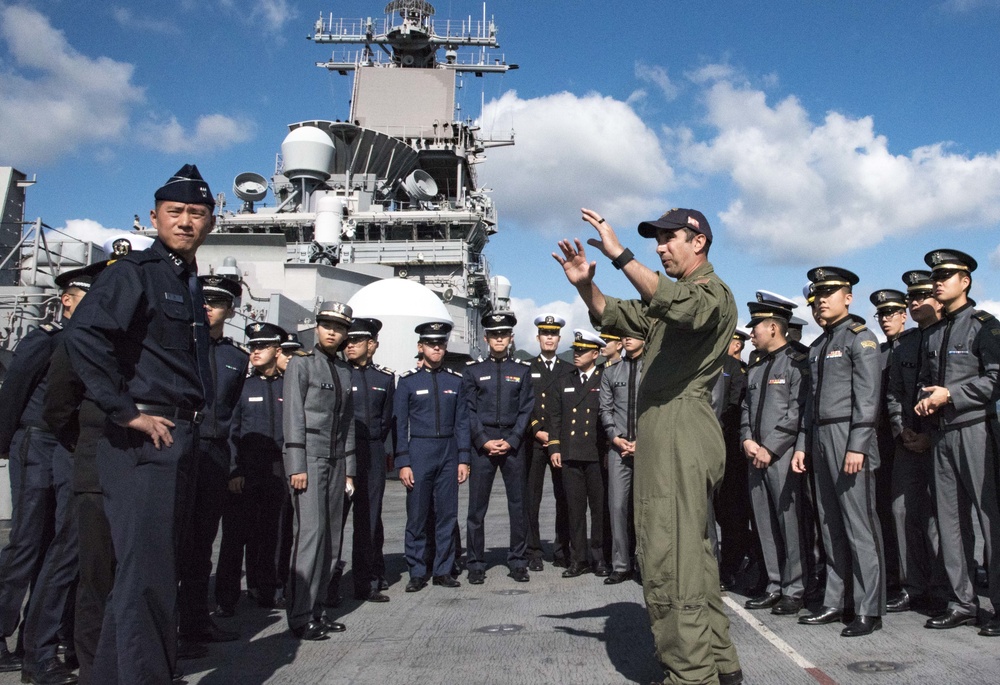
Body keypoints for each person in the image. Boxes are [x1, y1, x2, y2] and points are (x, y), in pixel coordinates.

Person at [554, 207, 742, 685]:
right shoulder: (669, 304)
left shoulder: (711, 295)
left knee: (667, 554)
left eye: (668, 239)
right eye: (654, 241)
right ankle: (717, 664)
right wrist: (584, 285)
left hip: (680, 426)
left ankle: (690, 674)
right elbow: (615, 313)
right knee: (692, 557)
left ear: (698, 242)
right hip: (666, 428)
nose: (660, 247)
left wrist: (620, 254)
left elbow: (678, 302)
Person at [65, 164, 218, 683]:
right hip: (146, 441)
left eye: (196, 214)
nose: (184, 222)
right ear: (154, 217)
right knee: (147, 578)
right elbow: (84, 336)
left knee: (148, 574)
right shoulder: (134, 272)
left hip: (179, 438)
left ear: (210, 222)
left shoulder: (186, 279)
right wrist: (125, 411)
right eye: (174, 213)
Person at [5, 263, 102, 685]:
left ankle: (37, 641)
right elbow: (14, 395)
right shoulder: (45, 341)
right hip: (36, 441)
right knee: (27, 543)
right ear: (66, 300)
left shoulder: (88, 345)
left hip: (67, 447)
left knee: (58, 544)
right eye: (87, 298)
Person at [792, 266, 885, 637]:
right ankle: (836, 600)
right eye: (816, 298)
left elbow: (868, 395)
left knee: (859, 525)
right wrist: (803, 445)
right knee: (830, 525)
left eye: (829, 294)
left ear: (848, 297)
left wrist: (858, 444)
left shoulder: (860, 339)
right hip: (820, 438)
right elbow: (809, 404)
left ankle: (867, 608)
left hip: (850, 437)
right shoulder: (818, 346)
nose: (820, 303)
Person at [914, 249, 1000, 636]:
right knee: (949, 523)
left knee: (989, 520)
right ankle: (963, 602)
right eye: (936, 276)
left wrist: (952, 395)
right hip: (942, 435)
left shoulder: (985, 325)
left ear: (965, 281)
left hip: (976, 430)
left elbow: (997, 379)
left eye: (946, 275)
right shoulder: (932, 332)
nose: (938, 281)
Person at [177, 275, 247, 647]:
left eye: (216, 302)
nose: (208, 307)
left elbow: (235, 417)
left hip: (215, 453)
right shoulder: (179, 347)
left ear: (230, 310)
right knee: (172, 541)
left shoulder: (237, 358)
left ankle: (194, 623)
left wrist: (233, 464)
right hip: (180, 450)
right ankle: (166, 627)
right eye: (202, 300)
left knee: (204, 543)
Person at [282, 301, 355, 641]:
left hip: (336, 459)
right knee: (310, 535)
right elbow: (294, 416)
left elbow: (347, 425)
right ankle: (299, 614)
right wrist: (296, 464)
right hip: (309, 458)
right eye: (327, 324)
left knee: (333, 538)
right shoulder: (301, 365)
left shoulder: (343, 370)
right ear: (317, 327)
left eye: (338, 328)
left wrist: (349, 468)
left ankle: (319, 609)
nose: (331, 331)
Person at [883, 270, 947, 613]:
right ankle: (913, 585)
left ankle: (942, 587)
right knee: (901, 511)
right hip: (907, 441)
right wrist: (901, 430)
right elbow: (893, 393)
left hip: (939, 439)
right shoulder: (904, 345)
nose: (915, 301)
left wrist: (929, 434)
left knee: (941, 516)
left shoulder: (947, 337)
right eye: (912, 297)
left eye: (921, 295)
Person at [740, 292, 808, 617]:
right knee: (764, 523)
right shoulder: (755, 367)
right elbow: (745, 408)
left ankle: (794, 588)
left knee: (788, 523)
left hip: (780, 457)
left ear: (773, 327)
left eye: (755, 326)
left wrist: (771, 447)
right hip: (755, 456)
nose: (750, 332)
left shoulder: (795, 362)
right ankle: (774, 584)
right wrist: (747, 440)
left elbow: (796, 411)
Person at [215, 322, 288, 614]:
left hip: (277, 470)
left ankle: (267, 589)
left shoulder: (287, 387)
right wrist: (234, 470)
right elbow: (230, 432)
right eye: (253, 346)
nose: (255, 351)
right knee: (235, 538)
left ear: (277, 350)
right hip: (246, 470)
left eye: (263, 346)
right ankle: (226, 599)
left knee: (272, 534)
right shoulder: (242, 386)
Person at [394, 322, 471, 592]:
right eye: (430, 343)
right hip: (420, 451)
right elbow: (400, 425)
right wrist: (403, 461)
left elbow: (462, 422)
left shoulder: (455, 381)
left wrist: (464, 459)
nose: (436, 347)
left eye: (440, 343)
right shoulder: (407, 382)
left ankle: (443, 570)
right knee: (416, 514)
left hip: (449, 451)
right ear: (421, 347)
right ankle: (417, 570)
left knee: (447, 515)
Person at [462, 312, 534, 585]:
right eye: (494, 335)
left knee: (518, 506)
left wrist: (513, 439)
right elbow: (467, 409)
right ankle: (476, 563)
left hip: (513, 444)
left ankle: (517, 561)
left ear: (511, 338)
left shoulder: (522, 370)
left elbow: (527, 408)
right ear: (486, 338)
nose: (499, 339)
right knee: (476, 509)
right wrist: (482, 440)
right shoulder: (473, 370)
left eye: (504, 334)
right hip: (483, 444)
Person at [547, 329, 608, 578]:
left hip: (595, 454)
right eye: (575, 350)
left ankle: (600, 558)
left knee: (599, 509)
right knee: (574, 510)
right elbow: (555, 417)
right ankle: (578, 559)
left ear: (595, 354)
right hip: (571, 453)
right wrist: (554, 447)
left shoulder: (605, 379)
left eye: (582, 351)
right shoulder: (564, 380)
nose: (577, 354)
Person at [342, 318, 395, 602]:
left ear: (371, 344)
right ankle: (328, 583)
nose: (349, 345)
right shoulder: (338, 373)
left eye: (356, 341)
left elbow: (387, 420)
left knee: (369, 519)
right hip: (341, 453)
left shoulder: (385, 379)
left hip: (372, 451)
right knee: (335, 519)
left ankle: (367, 582)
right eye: (348, 341)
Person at [870, 288, 909, 607]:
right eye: (881, 315)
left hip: (913, 438)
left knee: (915, 514)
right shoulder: (878, 353)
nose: (885, 320)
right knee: (887, 512)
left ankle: (920, 581)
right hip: (883, 443)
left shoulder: (915, 345)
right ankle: (896, 578)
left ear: (903, 315)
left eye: (891, 314)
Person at [525, 314, 572, 571]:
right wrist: (536, 430)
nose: (550, 338)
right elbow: (523, 405)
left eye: (553, 334)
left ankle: (562, 548)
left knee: (562, 496)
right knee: (532, 498)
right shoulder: (526, 368)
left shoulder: (568, 369)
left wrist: (554, 437)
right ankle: (532, 550)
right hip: (534, 442)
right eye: (545, 334)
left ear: (559, 338)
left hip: (559, 442)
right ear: (538, 338)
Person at [599, 330, 645, 583]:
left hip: (647, 447)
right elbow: (605, 409)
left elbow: (657, 409)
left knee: (645, 508)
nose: (627, 340)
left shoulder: (652, 370)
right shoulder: (610, 371)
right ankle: (621, 564)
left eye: (633, 335)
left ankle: (644, 562)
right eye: (624, 336)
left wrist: (643, 441)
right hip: (618, 447)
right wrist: (615, 437)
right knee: (617, 506)